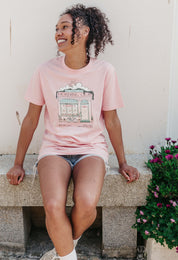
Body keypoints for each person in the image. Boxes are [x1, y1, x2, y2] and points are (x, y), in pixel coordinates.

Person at [6, 4, 140, 260]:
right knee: (54, 205)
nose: (58, 32)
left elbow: (111, 121)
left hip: (91, 150)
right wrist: (17, 163)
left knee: (87, 204)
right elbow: (31, 118)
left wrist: (123, 161)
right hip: (55, 150)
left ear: (85, 31)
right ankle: (67, 257)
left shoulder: (105, 72)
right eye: (57, 28)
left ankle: (60, 249)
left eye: (65, 27)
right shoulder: (45, 70)